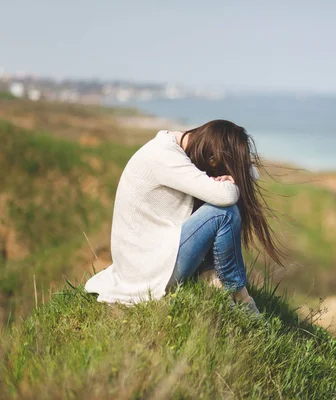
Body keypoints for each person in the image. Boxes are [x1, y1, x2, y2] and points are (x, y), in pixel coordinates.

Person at [84, 120, 283, 315]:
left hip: (149, 261)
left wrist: (232, 177)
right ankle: (240, 296)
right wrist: (232, 183)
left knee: (217, 205)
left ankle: (213, 279)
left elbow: (251, 173)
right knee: (224, 213)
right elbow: (227, 196)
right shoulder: (165, 157)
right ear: (213, 160)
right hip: (150, 271)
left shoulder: (177, 147)